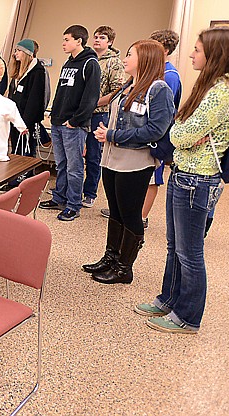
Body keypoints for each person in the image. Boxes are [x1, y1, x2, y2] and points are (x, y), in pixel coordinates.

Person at [136, 26, 229, 334]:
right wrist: (183, 131)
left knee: (190, 253)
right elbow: (183, 132)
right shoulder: (212, 86)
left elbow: (180, 134)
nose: (191, 54)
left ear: (215, 54)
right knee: (175, 246)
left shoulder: (222, 93)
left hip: (197, 180)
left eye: (198, 50)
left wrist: (182, 131)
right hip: (185, 174)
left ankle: (187, 316)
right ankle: (169, 300)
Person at [83, 39, 175, 285]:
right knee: (115, 211)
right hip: (112, 158)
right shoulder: (128, 86)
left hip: (135, 161)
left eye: (130, 54)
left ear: (144, 58)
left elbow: (156, 130)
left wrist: (112, 135)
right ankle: (111, 258)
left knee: (130, 213)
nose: (124, 59)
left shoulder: (158, 90)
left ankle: (124, 268)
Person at [39, 25, 101, 221]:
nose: (64, 43)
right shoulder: (68, 63)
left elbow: (91, 98)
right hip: (58, 122)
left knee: (74, 167)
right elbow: (61, 92)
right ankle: (59, 197)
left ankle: (73, 205)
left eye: (67, 40)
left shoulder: (90, 64)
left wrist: (75, 121)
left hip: (73, 125)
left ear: (78, 41)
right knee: (61, 165)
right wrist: (54, 114)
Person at [141, 29, 183, 228]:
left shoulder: (170, 76)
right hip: (145, 134)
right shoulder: (155, 71)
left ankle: (142, 217)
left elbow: (163, 111)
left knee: (152, 179)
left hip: (158, 137)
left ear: (164, 50)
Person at [82, 26, 125, 208]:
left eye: (102, 37)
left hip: (99, 114)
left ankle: (90, 192)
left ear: (110, 42)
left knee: (93, 155)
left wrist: (95, 103)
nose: (97, 40)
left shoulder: (114, 62)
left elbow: (117, 90)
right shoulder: (88, 58)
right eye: (96, 36)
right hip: (82, 113)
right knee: (76, 153)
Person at [8, 38, 47, 157]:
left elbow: (34, 101)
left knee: (26, 153)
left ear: (27, 53)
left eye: (18, 50)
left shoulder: (37, 72)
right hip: (15, 120)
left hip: (26, 123)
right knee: (16, 151)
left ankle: (27, 176)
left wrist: (24, 123)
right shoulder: (17, 73)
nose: (15, 54)